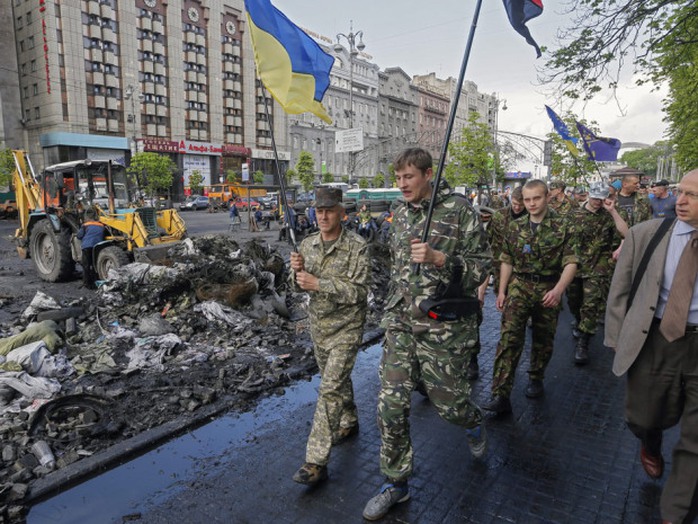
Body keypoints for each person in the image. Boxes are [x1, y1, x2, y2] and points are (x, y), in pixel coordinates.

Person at [362, 148, 491, 521]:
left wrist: (441, 260)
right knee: (390, 406)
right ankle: (395, 483)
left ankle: (473, 421)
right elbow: (397, 268)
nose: (401, 184)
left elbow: (482, 267)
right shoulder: (400, 215)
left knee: (449, 407)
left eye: (409, 177)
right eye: (398, 177)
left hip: (442, 327)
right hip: (402, 325)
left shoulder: (459, 210)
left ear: (428, 175)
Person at [605, 169, 698, 524]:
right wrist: (616, 338)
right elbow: (621, 290)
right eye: (680, 192)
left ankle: (675, 515)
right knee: (642, 417)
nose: (680, 201)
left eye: (692, 195)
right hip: (655, 339)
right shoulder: (646, 236)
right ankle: (650, 440)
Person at [289, 187, 370, 486]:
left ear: (341, 213)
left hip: (347, 327)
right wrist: (295, 272)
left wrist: (319, 283)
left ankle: (315, 461)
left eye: (329, 210)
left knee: (328, 389)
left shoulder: (357, 247)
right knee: (335, 383)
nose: (323, 215)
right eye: (318, 210)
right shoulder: (307, 244)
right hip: (319, 327)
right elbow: (299, 287)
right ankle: (348, 420)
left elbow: (360, 292)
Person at [483, 179, 578, 414]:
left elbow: (572, 262)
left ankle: (536, 376)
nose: (531, 203)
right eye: (527, 199)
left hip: (548, 288)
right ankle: (500, 394)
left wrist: (558, 290)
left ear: (547, 197)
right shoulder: (515, 227)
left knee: (543, 338)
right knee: (509, 339)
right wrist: (502, 290)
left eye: (536, 198)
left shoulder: (564, 226)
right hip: (520, 286)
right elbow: (506, 259)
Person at [566, 182, 626, 364]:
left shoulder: (608, 215)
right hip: (575, 265)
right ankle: (578, 321)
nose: (598, 202)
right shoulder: (573, 214)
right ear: (588, 195)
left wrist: (613, 211)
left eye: (602, 199)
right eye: (595, 198)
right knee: (574, 300)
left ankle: (584, 342)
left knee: (591, 304)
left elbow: (626, 233)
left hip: (599, 265)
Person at [76, 208, 106, 289]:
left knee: (86, 266)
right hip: (97, 247)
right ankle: (95, 281)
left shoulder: (85, 225)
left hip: (87, 247)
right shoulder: (101, 225)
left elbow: (79, 236)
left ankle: (86, 283)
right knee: (94, 265)